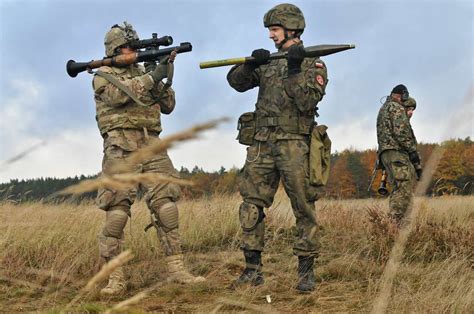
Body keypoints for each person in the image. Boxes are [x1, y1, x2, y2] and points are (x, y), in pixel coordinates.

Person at [92, 22, 204, 296]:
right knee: (117, 212)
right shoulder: (103, 75)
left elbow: (168, 106)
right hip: (121, 148)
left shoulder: (144, 72)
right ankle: (115, 277)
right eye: (127, 47)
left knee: (166, 206)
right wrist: (152, 78)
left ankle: (176, 268)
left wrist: (164, 73)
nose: (132, 51)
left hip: (151, 144)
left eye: (134, 46)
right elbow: (120, 96)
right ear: (115, 49)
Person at [226, 4, 328, 292]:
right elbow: (236, 83)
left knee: (303, 207)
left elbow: (307, 101)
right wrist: (249, 65)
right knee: (251, 205)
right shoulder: (268, 61)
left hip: (295, 143)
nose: (271, 36)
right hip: (262, 143)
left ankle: (306, 273)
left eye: (274, 30)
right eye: (270, 30)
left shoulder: (313, 63)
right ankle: (252, 271)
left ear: (291, 29)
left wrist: (295, 68)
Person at [376, 85, 422, 225]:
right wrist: (413, 152)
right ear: (401, 95)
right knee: (403, 188)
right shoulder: (395, 107)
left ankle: (396, 223)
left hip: (386, 154)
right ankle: (397, 224)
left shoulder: (384, 108)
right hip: (396, 153)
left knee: (398, 187)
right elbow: (401, 132)